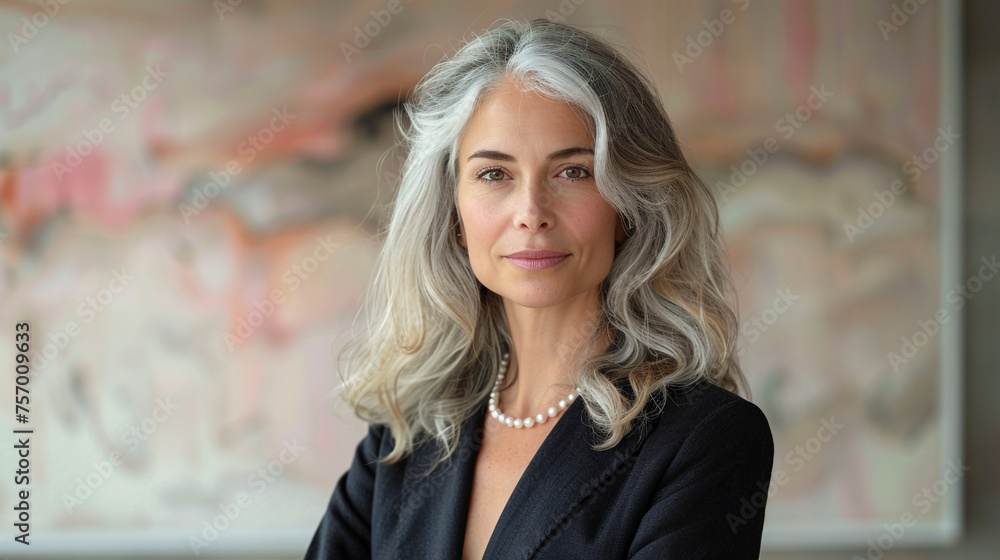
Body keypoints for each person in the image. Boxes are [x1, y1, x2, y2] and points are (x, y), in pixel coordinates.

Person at [304, 17, 773, 560]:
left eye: (573, 172)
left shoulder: (705, 439)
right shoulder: (404, 436)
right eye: (494, 174)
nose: (531, 214)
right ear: (453, 212)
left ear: (629, 204)